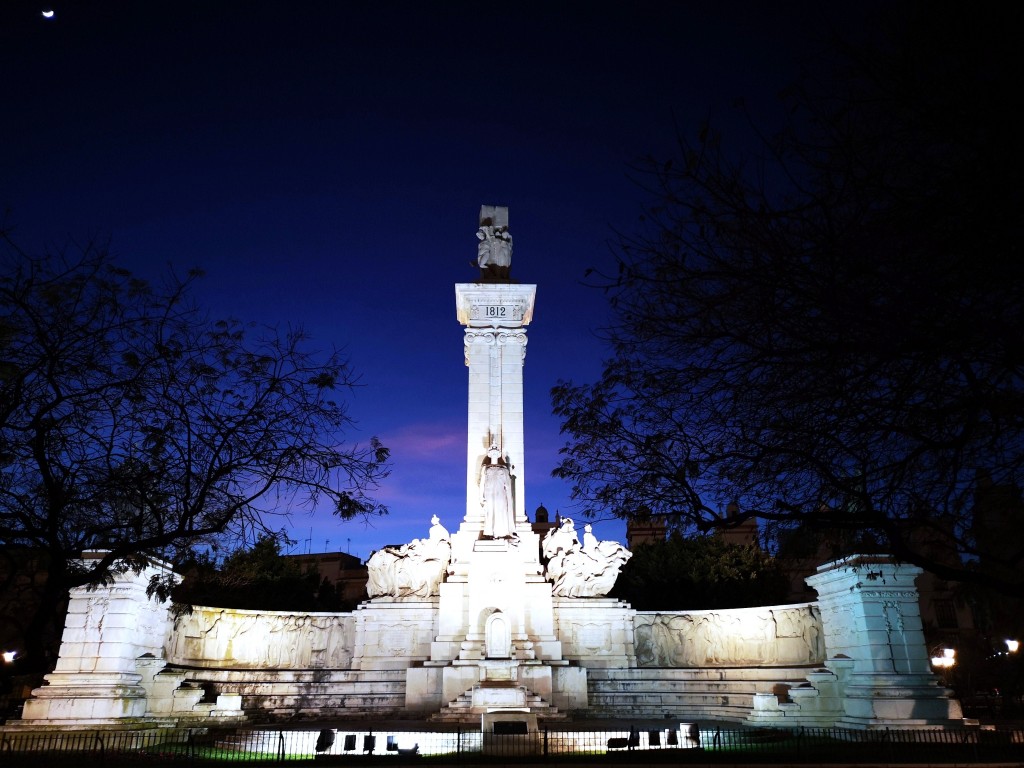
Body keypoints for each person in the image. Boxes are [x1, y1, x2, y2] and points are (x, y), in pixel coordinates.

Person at [481, 445, 515, 538]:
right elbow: (482, 483)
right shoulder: (486, 469)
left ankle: (500, 533)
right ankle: (489, 533)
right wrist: (481, 497)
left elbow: (508, 485)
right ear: (489, 454)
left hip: (501, 494)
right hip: (489, 494)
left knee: (500, 512)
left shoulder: (504, 469)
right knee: (489, 513)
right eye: (492, 453)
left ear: (499, 454)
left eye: (496, 453)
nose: (494, 454)